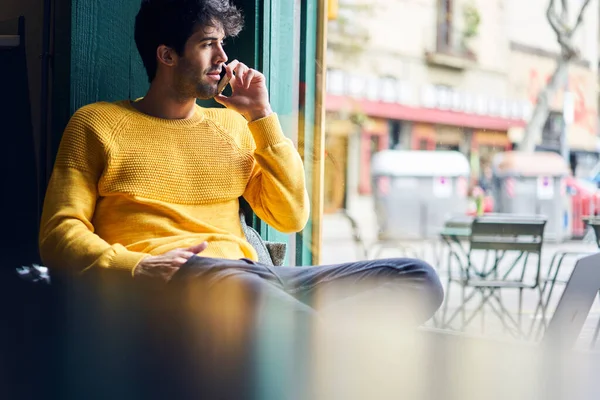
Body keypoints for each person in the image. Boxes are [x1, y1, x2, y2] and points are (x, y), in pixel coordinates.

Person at [39, 0, 443, 334]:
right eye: (207, 44)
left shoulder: (232, 126)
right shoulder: (97, 124)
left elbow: (290, 215)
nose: (223, 58)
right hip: (178, 279)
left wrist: (262, 117)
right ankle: (317, 356)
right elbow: (59, 234)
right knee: (247, 291)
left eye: (223, 43)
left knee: (415, 278)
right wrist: (138, 265)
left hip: (250, 276)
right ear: (166, 55)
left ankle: (303, 346)